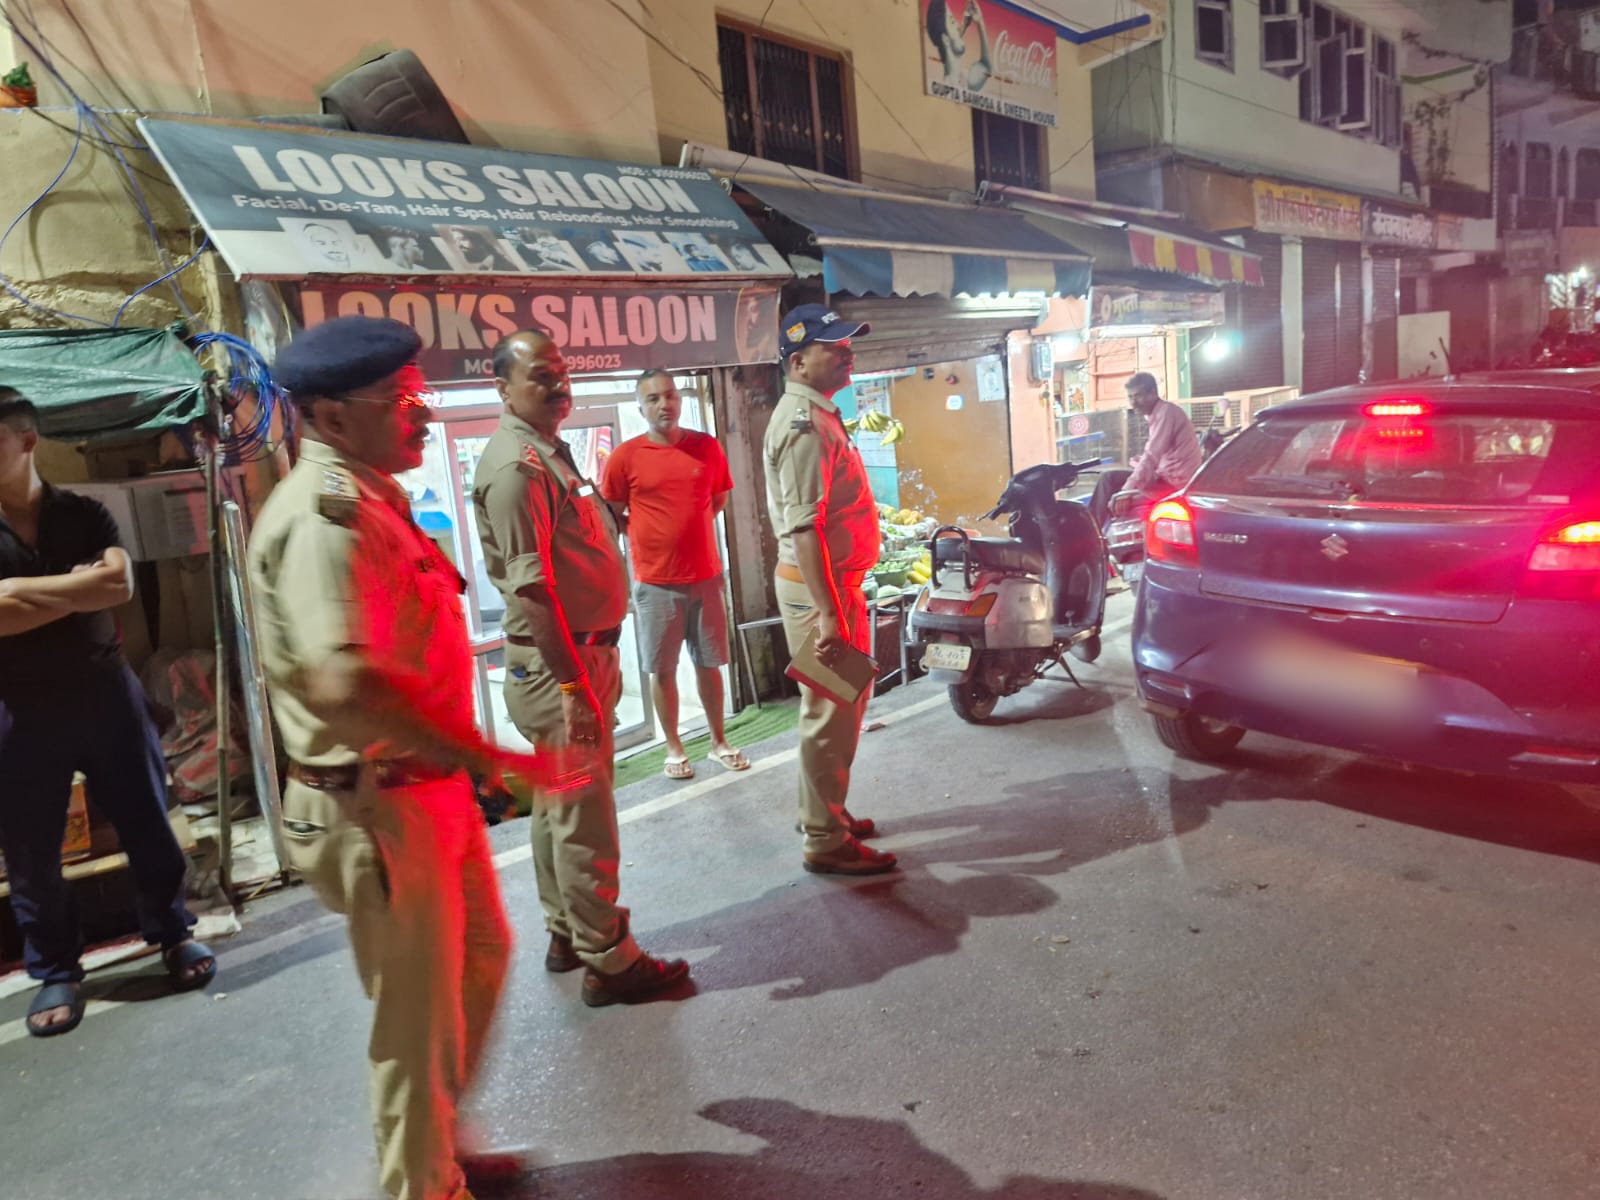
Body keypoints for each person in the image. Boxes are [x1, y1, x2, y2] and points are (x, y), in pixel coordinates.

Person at [249, 317, 568, 1200]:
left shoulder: (375, 496)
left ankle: (438, 1141)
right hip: (376, 804)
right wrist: (486, 754)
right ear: (328, 417)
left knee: (479, 961)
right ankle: (423, 1184)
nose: (423, 412)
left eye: (420, 393)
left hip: (424, 792)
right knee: (417, 1018)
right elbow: (344, 679)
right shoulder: (327, 519)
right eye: (399, 399)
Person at [472, 329, 690, 1006]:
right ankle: (610, 959)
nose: (558, 385)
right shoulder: (517, 469)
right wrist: (572, 687)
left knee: (558, 808)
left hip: (577, 657)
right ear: (503, 388)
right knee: (583, 817)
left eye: (562, 372)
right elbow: (534, 590)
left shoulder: (547, 453)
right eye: (540, 376)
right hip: (560, 668)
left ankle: (568, 933)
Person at [0, 389, 216, 1039]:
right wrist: (77, 589)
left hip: (105, 690)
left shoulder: (85, 513)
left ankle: (172, 932)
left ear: (27, 441)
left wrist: (20, 591)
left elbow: (117, 585)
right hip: (17, 704)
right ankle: (57, 969)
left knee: (147, 819)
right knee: (30, 848)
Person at [763, 305, 897, 877]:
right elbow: (804, 527)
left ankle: (825, 813)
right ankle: (824, 839)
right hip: (822, 593)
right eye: (833, 347)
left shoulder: (818, 416)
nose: (847, 353)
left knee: (839, 708)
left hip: (835, 588)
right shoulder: (804, 426)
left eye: (847, 344)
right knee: (830, 713)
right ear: (798, 362)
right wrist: (827, 615)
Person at [600, 369, 747, 781]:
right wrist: (651, 535)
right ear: (640, 407)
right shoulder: (625, 457)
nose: (664, 404)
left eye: (670, 395)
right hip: (655, 583)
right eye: (653, 399)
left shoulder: (707, 447)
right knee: (662, 669)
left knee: (710, 664)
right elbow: (611, 514)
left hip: (707, 578)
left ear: (679, 399)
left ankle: (719, 741)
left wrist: (686, 532)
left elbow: (717, 499)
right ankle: (673, 747)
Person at [1087, 372, 1204, 527]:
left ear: (1153, 393)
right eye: (1130, 397)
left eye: (1138, 396)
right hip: (1165, 478)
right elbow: (1156, 456)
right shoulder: (1158, 413)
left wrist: (1126, 490)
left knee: (1113, 497)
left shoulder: (1166, 413)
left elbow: (1152, 456)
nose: (1133, 403)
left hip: (1174, 485)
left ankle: (1091, 532)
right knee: (1108, 478)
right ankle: (1094, 529)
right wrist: (1138, 464)